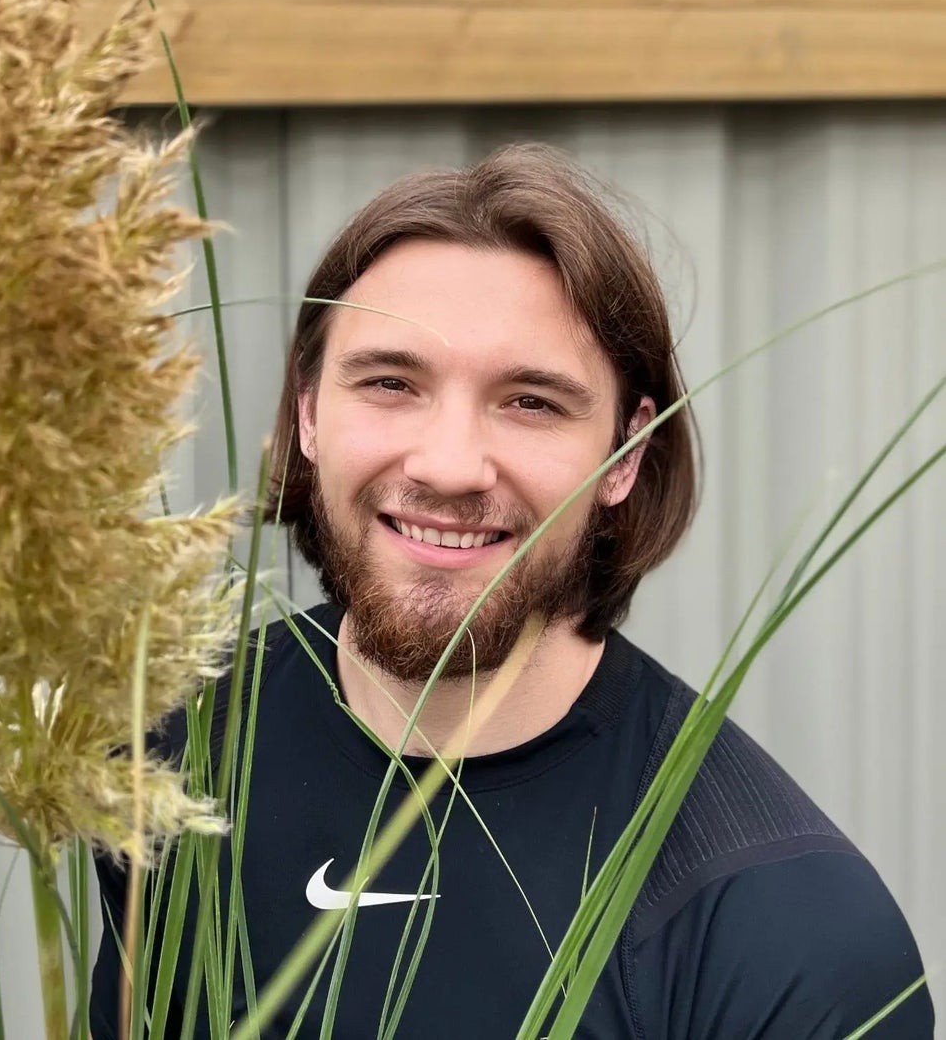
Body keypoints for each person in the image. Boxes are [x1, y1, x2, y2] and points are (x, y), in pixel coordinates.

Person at [88, 142, 933, 1039]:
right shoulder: (176, 751)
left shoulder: (780, 923)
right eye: (389, 382)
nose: (449, 464)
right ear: (305, 412)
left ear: (626, 454)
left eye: (530, 401)